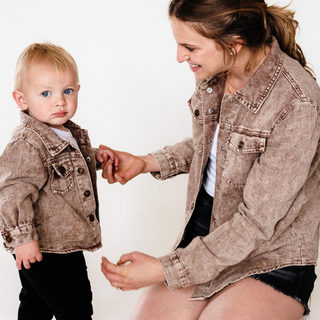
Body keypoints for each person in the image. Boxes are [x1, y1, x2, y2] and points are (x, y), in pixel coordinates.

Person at [100, 0, 320, 319]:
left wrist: (164, 269)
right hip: (205, 231)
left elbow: (256, 223)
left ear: (234, 44)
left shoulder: (297, 104)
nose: (179, 57)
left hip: (271, 254)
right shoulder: (215, 69)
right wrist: (147, 162)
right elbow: (218, 146)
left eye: (189, 46)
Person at [0, 43, 117, 320]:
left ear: (78, 89)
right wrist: (22, 239)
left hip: (59, 243)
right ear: (22, 99)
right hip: (48, 246)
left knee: (36, 303)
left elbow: (64, 169)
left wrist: (94, 158)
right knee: (75, 306)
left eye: (67, 91)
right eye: (45, 93)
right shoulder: (27, 142)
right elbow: (11, 191)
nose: (59, 101)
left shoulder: (65, 133)